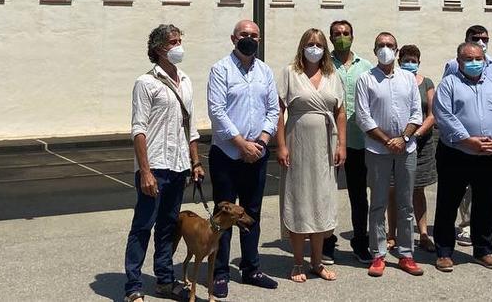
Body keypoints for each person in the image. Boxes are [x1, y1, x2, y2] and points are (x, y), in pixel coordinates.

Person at [123, 24, 204, 302]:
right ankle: (133, 286)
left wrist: (195, 162)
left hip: (179, 165)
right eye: (173, 41)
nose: (179, 45)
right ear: (159, 48)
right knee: (143, 226)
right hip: (155, 166)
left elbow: (190, 126)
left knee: (168, 227)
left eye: (180, 39)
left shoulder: (186, 80)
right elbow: (138, 129)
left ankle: (164, 281)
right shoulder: (146, 83)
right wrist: (145, 171)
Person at [206, 20, 280, 296]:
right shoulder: (220, 69)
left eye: (254, 35)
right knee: (223, 214)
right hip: (226, 154)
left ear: (259, 39)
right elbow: (217, 111)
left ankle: (251, 268)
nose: (249, 39)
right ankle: (220, 272)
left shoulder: (265, 71)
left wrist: (260, 142)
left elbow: (273, 110)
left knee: (252, 214)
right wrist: (241, 144)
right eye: (244, 35)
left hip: (257, 155)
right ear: (233, 38)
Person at [432, 41, 492, 272]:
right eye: (468, 59)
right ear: (458, 61)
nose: (474, 63)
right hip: (456, 154)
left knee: (486, 204)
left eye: (478, 59)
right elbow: (444, 115)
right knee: (448, 204)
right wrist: (467, 140)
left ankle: (483, 250)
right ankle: (445, 252)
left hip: (489, 154)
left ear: (485, 61)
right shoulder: (449, 84)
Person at [275, 28, 347, 283]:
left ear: (325, 48)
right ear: (302, 46)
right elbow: (279, 111)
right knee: (299, 199)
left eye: (318, 44)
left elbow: (340, 111)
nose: (314, 48)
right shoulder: (290, 73)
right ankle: (297, 262)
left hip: (326, 145)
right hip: (298, 143)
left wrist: (342, 145)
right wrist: (281, 146)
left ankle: (316, 262)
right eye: (310, 43)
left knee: (321, 200)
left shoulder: (332, 74)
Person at [355, 31, 424, 277]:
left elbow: (417, 113)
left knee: (406, 204)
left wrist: (403, 138)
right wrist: (387, 141)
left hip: (407, 149)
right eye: (381, 45)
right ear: (375, 50)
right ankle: (378, 254)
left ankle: (406, 254)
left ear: (396, 51)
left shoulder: (408, 79)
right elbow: (363, 117)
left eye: (390, 45)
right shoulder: (365, 79)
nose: (385, 48)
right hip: (377, 150)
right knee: (378, 203)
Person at [444, 25, 492, 247]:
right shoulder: (452, 67)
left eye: (485, 38)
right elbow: (448, 105)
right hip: (466, 145)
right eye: (476, 38)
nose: (481, 41)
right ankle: (466, 226)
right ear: (466, 40)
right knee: (467, 189)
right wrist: (466, 139)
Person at [324, 20, 376, 264]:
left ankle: (360, 241)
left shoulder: (365, 66)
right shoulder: (323, 65)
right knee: (325, 194)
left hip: (358, 141)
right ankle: (325, 242)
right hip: (327, 140)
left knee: (358, 195)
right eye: (337, 34)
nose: (341, 37)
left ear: (352, 36)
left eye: (345, 33)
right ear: (331, 37)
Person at [387, 45, 437, 253]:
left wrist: (414, 135)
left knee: (418, 189)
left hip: (422, 144)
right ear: (399, 61)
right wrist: (401, 138)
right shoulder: (393, 80)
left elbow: (432, 114)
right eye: (406, 59)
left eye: (413, 60)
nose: (410, 63)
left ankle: (423, 233)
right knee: (392, 189)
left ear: (419, 61)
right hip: (395, 144)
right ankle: (392, 234)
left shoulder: (426, 83)